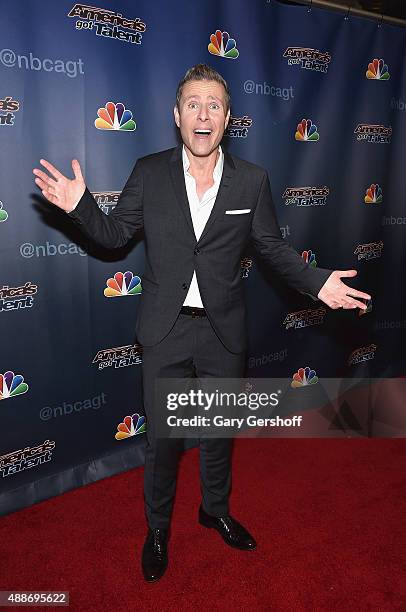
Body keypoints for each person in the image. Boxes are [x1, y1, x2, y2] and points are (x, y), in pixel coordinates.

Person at [33, 64, 370, 583]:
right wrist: (80, 207)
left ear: (228, 118)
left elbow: (272, 248)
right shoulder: (149, 172)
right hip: (166, 330)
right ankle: (158, 528)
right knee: (163, 441)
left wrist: (317, 281)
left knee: (217, 434)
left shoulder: (252, 180)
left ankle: (214, 510)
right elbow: (114, 235)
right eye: (193, 103)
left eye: (214, 104)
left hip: (222, 332)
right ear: (177, 116)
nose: (203, 113)